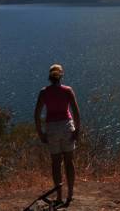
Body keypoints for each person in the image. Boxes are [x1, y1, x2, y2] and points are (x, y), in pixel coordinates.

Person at [34, 64, 81, 207]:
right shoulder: (68, 91)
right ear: (61, 75)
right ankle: (70, 194)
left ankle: (59, 196)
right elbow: (76, 113)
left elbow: (36, 115)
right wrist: (77, 130)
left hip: (52, 129)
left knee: (56, 163)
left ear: (50, 76)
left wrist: (41, 133)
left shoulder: (44, 92)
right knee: (69, 161)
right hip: (66, 127)